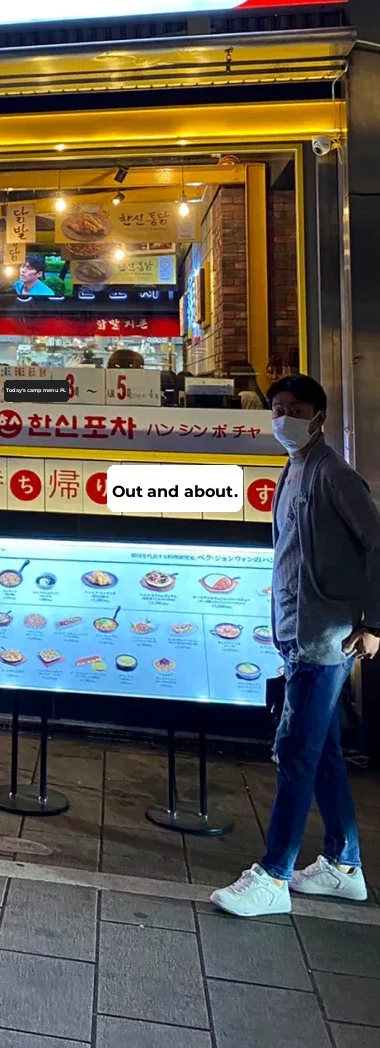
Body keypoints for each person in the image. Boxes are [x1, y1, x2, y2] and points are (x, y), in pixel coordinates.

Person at [211, 374, 380, 917]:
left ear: (320, 417)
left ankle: (273, 874)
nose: (283, 418)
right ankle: (344, 864)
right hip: (296, 631)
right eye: (276, 407)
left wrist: (374, 622)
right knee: (323, 750)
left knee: (295, 752)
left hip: (323, 639)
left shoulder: (333, 475)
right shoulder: (293, 469)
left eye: (296, 408)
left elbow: (377, 544)